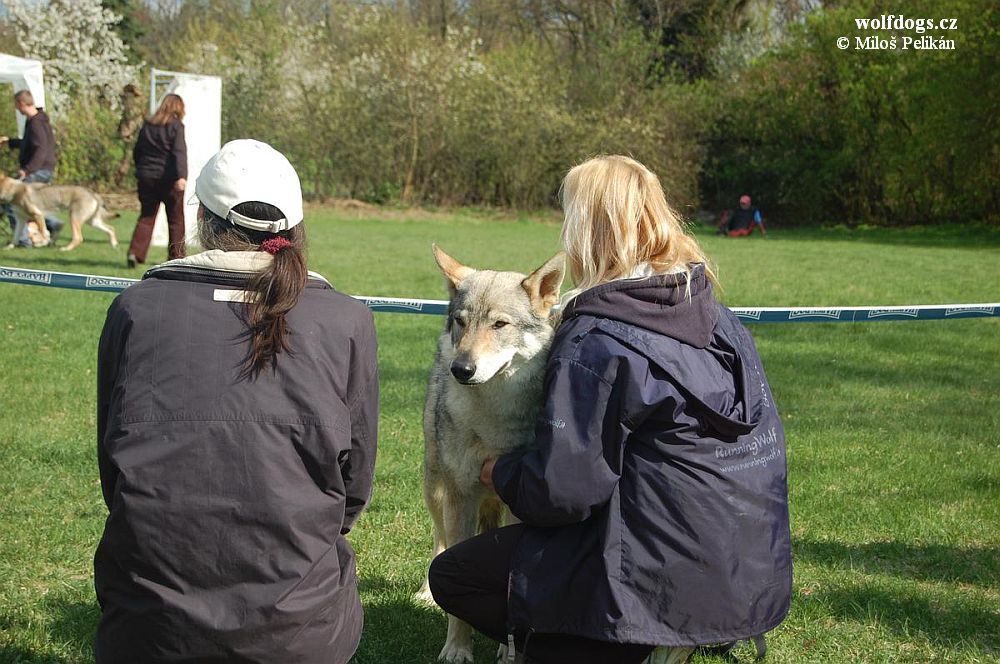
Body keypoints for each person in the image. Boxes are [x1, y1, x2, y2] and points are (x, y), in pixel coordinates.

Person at [429, 155, 791, 664]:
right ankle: (680, 631)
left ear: (586, 231)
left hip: (656, 581)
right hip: (750, 577)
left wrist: (498, 469)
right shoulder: (718, 317)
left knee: (454, 575)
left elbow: (563, 495)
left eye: (568, 217)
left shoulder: (599, 337)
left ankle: (607, 643)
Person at [95, 139, 379, 663]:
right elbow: (352, 488)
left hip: (150, 631)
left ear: (200, 217)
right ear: (293, 229)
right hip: (298, 635)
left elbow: (115, 473)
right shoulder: (345, 319)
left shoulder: (134, 309)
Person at [126, 92, 187, 267]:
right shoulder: (176, 126)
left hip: (146, 177)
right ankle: (177, 257)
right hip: (169, 179)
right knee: (176, 219)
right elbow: (179, 152)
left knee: (147, 216)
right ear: (178, 108)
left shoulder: (148, 125)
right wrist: (182, 176)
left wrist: (141, 169)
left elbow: (138, 150)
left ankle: (135, 253)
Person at [0, 89, 63, 246]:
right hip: (42, 169)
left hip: (38, 170)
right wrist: (10, 141)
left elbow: (40, 148)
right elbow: (30, 144)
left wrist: (27, 170)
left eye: (16, 105)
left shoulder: (35, 123)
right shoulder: (37, 120)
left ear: (22, 104)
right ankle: (53, 224)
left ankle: (23, 240)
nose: (16, 109)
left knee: (13, 203)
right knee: (30, 205)